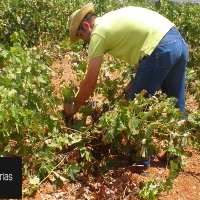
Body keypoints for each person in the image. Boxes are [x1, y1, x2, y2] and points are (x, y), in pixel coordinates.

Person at [64, 3, 189, 171]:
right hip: (177, 41)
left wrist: (74, 106)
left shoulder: (98, 33)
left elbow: (90, 81)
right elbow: (143, 43)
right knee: (176, 103)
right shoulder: (112, 18)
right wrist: (132, 85)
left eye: (81, 36)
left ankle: (140, 160)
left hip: (159, 48)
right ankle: (176, 154)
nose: (84, 41)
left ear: (86, 25)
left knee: (137, 107)